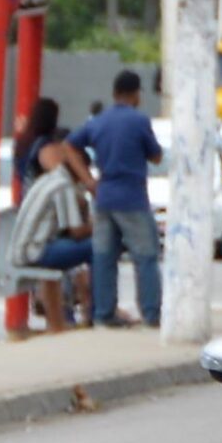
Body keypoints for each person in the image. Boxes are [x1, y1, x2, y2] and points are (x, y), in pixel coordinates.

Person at [67, 70, 160, 328]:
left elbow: (70, 146)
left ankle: (103, 314)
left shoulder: (97, 121)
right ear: (136, 93)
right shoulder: (139, 121)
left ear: (114, 93)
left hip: (104, 196)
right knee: (146, 256)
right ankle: (151, 314)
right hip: (132, 197)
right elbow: (156, 156)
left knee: (104, 257)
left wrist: (87, 180)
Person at [6, 133, 93, 336]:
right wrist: (101, 227)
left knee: (70, 254)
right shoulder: (63, 186)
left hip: (24, 249)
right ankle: (98, 311)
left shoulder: (49, 179)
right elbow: (76, 231)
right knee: (99, 247)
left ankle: (57, 324)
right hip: (37, 251)